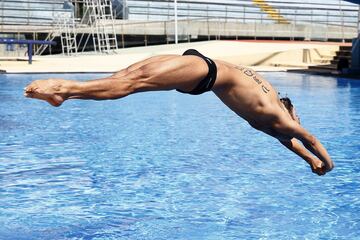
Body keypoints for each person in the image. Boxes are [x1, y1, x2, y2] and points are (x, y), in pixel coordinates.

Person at [24, 49, 334, 176]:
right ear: (291, 116)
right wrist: (327, 163)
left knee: (125, 78)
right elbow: (307, 138)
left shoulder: (271, 111)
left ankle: (66, 92)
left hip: (200, 69)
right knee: (129, 83)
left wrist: (311, 162)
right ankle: (64, 90)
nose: (295, 127)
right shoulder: (277, 118)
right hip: (202, 71)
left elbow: (293, 142)